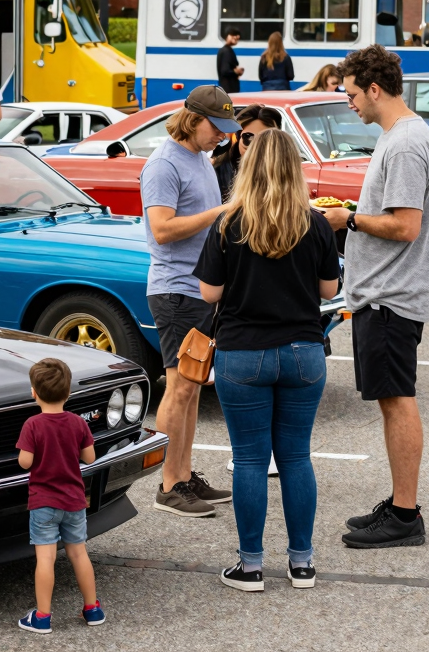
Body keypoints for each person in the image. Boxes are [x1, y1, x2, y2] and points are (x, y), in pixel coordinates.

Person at [195, 129, 339, 592]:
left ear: (248, 168)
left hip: (243, 353)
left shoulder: (229, 223)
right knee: (296, 457)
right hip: (303, 351)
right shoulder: (314, 223)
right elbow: (329, 291)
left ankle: (251, 566)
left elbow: (209, 293)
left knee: (251, 461)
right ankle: (302, 564)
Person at [322, 45, 429, 549]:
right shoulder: (399, 137)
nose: (348, 102)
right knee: (392, 402)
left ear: (375, 89)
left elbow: (405, 225)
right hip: (383, 295)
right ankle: (398, 504)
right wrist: (352, 209)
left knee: (398, 401)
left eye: (351, 93)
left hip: (392, 297)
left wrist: (346, 218)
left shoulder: (406, 143)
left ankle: (406, 515)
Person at [142, 85, 238, 517]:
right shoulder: (163, 164)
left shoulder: (199, 157)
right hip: (175, 291)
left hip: (196, 289)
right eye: (216, 127)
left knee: (193, 389)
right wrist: (219, 213)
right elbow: (161, 229)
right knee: (179, 389)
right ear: (193, 119)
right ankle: (168, 485)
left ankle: (184, 475)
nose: (222, 135)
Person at [16, 358, 104, 633]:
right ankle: (92, 609)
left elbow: (25, 462)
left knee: (46, 559)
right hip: (74, 501)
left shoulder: (32, 424)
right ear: (68, 393)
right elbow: (90, 457)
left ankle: (42, 617)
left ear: (34, 392)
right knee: (79, 554)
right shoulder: (78, 423)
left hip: (43, 502)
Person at [211, 104, 281, 200]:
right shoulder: (217, 172)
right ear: (238, 137)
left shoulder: (287, 170)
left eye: (265, 140)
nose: (255, 147)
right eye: (248, 137)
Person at [217, 27, 244, 93]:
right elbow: (225, 70)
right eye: (233, 35)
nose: (236, 37)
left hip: (226, 87)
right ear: (227, 36)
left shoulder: (225, 50)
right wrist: (236, 72)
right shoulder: (227, 51)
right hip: (229, 88)